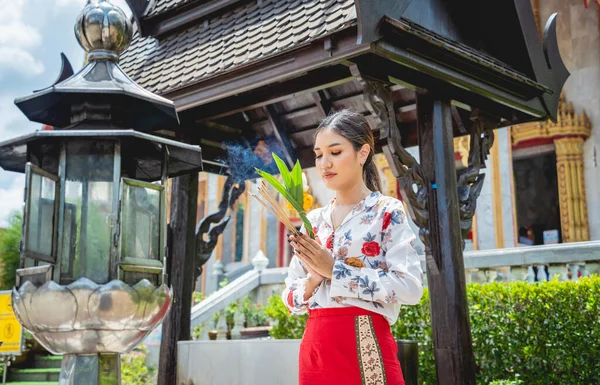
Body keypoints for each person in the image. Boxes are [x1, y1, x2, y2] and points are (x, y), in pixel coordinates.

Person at [283, 110, 424, 385]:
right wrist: (313, 280)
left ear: (363, 153)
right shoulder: (313, 221)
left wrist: (335, 271)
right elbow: (290, 298)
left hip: (365, 343)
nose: (325, 163)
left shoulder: (387, 211)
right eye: (319, 154)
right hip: (315, 350)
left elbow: (410, 287)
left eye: (335, 152)